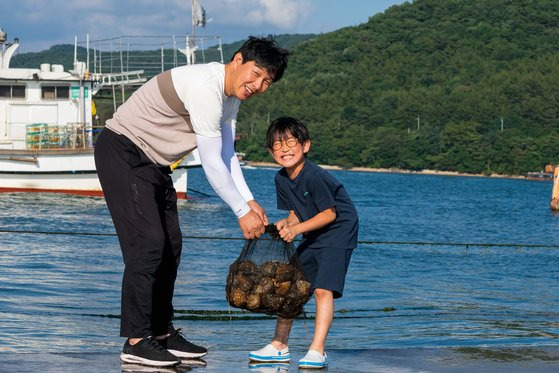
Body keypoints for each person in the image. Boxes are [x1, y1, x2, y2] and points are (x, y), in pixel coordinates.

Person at [94, 36, 289, 367]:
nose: (257, 85)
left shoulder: (230, 100)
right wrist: (241, 212)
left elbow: (227, 155)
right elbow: (211, 163)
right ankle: (137, 339)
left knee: (170, 246)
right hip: (124, 151)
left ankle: (160, 332)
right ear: (238, 60)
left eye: (267, 81)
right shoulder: (206, 87)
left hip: (154, 164)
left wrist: (249, 199)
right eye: (256, 74)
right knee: (148, 244)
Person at [248, 116, 358, 369]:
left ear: (305, 146)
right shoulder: (281, 179)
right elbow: (295, 213)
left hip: (339, 231)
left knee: (322, 289)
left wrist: (297, 229)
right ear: (270, 151)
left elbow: (330, 214)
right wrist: (284, 225)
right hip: (314, 231)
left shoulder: (315, 176)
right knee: (292, 287)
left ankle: (317, 350)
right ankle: (279, 345)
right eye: (277, 145)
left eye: (290, 142)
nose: (284, 149)